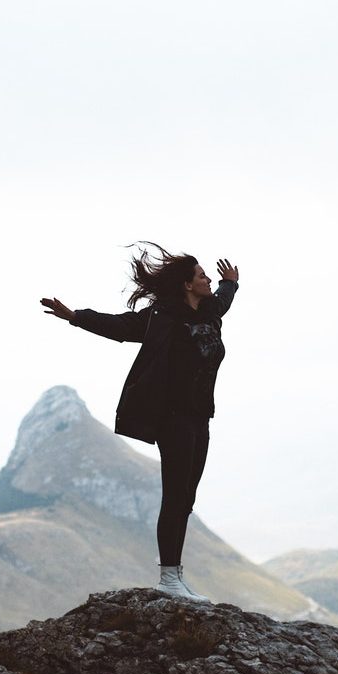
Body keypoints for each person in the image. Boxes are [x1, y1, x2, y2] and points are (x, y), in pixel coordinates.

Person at [40, 242, 239, 602]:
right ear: (186, 284)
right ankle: (167, 578)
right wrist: (74, 316)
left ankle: (175, 575)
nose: (207, 278)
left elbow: (223, 299)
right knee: (176, 494)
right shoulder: (160, 318)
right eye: (201, 275)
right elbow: (119, 326)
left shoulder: (210, 312)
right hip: (172, 418)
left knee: (187, 497)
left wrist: (230, 283)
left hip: (200, 417)